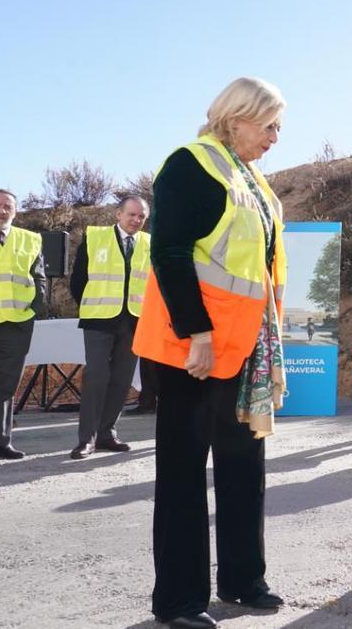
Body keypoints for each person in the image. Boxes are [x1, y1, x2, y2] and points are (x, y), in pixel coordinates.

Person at [133, 77, 289, 629]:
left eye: (278, 126)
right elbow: (170, 252)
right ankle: (179, 601)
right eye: (268, 124)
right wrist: (197, 331)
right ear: (236, 118)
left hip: (242, 348)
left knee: (245, 465)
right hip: (192, 347)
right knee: (182, 472)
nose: (276, 135)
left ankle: (244, 581)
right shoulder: (191, 164)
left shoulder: (253, 180)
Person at [68, 195, 151, 459]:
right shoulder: (95, 237)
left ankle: (107, 433)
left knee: (121, 379)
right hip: (99, 319)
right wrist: (93, 305)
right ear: (118, 214)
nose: (136, 220)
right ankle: (87, 439)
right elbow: (78, 280)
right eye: (131, 214)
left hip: (133, 320)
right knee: (97, 376)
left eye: (141, 217)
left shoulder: (149, 244)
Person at [0, 188, 46, 460]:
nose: (2, 210)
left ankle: (1, 442)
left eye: (7, 207)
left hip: (16, 322)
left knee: (5, 384)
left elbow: (39, 277)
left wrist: (35, 307)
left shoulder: (30, 239)